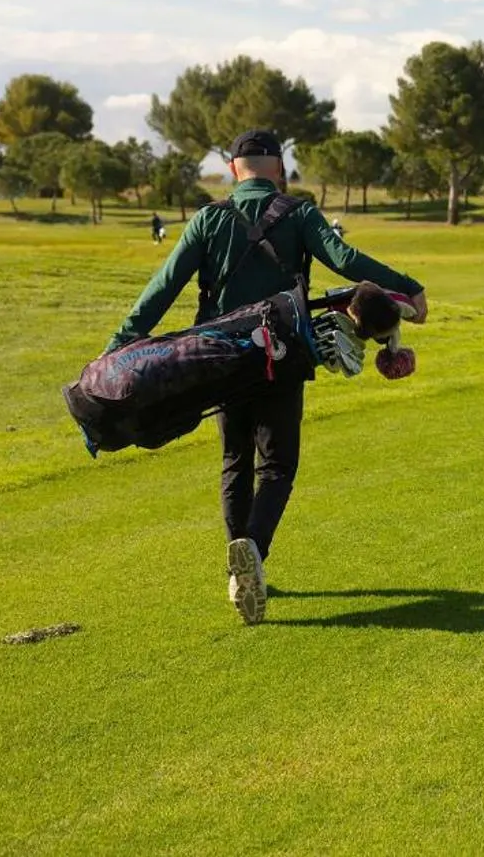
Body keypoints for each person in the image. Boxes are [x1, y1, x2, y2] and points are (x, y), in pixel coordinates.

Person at [104, 130, 428, 624]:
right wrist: (408, 287)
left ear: (234, 169)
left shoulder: (209, 218)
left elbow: (163, 287)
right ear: (278, 167)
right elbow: (345, 261)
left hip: (217, 358)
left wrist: (118, 348)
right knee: (276, 464)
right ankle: (253, 550)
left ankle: (239, 569)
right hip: (282, 351)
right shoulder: (298, 213)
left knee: (235, 460)